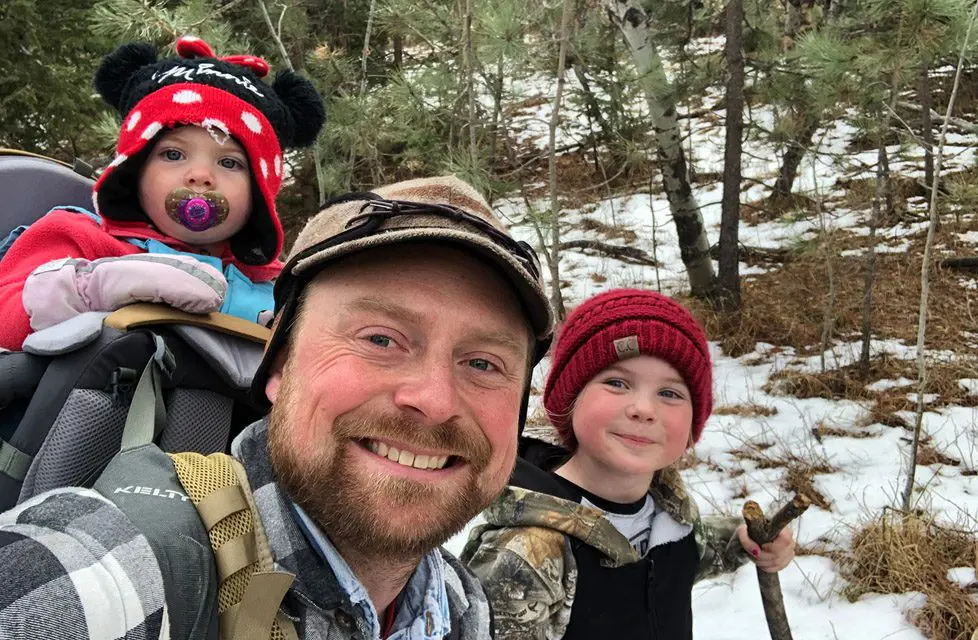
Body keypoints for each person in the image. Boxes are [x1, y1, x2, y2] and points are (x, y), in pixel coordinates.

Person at [0, 175, 555, 639]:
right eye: (381, 339)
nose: (434, 401)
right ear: (280, 365)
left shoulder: (456, 604)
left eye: (483, 363)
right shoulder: (139, 566)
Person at [462, 288, 796, 640]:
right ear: (571, 399)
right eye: (617, 383)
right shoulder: (526, 555)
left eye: (669, 393)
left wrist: (745, 541)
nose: (644, 409)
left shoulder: (669, 513)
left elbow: (686, 554)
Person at [0, 36, 325, 350]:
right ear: (136, 169)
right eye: (173, 155)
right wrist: (85, 292)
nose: (200, 175)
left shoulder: (277, 287)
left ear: (259, 192)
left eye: (229, 162)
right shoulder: (78, 237)